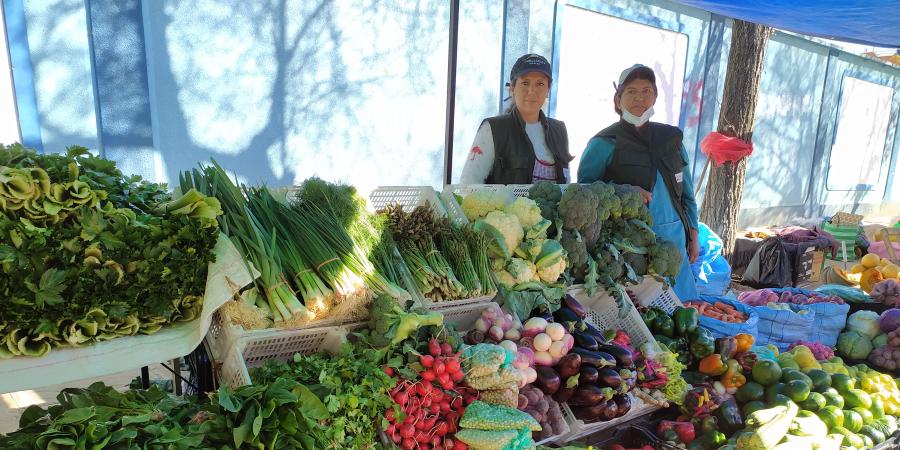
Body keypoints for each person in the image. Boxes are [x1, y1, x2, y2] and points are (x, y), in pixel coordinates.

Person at [578, 64, 700, 301]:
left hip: (674, 242)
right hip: (629, 247)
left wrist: (693, 232)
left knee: (684, 311)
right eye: (631, 91)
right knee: (642, 311)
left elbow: (687, 192)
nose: (639, 98)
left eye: (646, 91)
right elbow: (585, 194)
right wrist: (624, 191)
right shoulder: (604, 143)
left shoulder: (671, 139)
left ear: (655, 96)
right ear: (618, 98)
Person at [459, 54, 573, 184]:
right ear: (512, 88)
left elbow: (566, 187)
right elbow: (468, 184)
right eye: (525, 83)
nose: (532, 91)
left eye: (540, 84)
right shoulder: (493, 129)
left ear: (548, 90)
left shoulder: (559, 130)